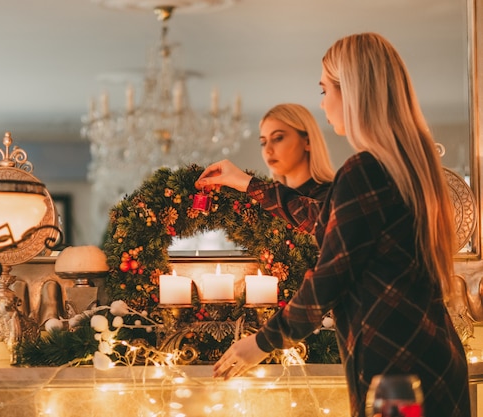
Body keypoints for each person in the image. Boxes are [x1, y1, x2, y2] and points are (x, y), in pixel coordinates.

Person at [196, 32, 470, 417]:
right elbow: (326, 218)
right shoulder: (408, 170)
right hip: (434, 368)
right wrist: (246, 183)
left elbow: (329, 278)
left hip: (397, 379)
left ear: (354, 92)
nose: (322, 103)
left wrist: (259, 343)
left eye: (325, 90)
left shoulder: (367, 170)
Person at [257, 103, 334, 202]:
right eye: (263, 143)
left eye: (278, 138)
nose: (268, 150)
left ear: (307, 141)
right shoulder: (268, 201)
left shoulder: (331, 196)